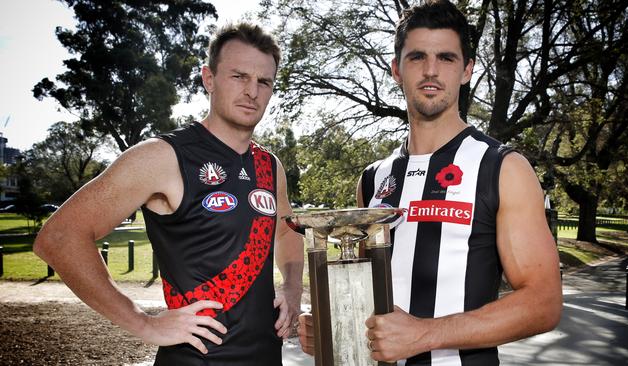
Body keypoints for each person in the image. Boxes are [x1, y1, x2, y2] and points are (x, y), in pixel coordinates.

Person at [298, 1, 562, 364]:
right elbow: (366, 295)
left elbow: (543, 302)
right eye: (417, 57)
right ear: (396, 69)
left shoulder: (502, 168)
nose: (431, 71)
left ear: (467, 70)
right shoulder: (375, 177)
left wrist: (426, 334)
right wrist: (333, 324)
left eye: (447, 58)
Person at [34, 22, 304, 366]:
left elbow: (285, 230)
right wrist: (144, 323)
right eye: (239, 76)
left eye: (263, 81)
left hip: (267, 356)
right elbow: (59, 237)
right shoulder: (163, 157)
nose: (252, 91)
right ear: (209, 79)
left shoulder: (269, 165)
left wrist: (292, 287)